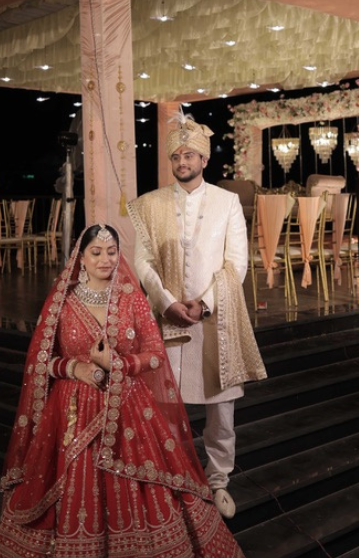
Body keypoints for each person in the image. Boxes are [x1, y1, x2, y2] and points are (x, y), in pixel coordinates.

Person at [0, 223, 246, 558]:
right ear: (81, 258)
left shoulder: (132, 298)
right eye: (96, 252)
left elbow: (154, 355)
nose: (105, 259)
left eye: (111, 252)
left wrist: (117, 364)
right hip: (71, 413)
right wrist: (74, 368)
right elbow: (41, 361)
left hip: (129, 407)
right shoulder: (61, 302)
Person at [127, 108, 267, 520]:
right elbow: (143, 260)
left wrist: (203, 303)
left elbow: (236, 263)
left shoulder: (227, 203)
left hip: (215, 318)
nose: (182, 162)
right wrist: (167, 301)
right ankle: (173, 477)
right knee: (165, 405)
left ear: (205, 160)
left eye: (190, 155)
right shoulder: (150, 205)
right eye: (176, 157)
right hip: (166, 316)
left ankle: (218, 480)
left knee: (220, 409)